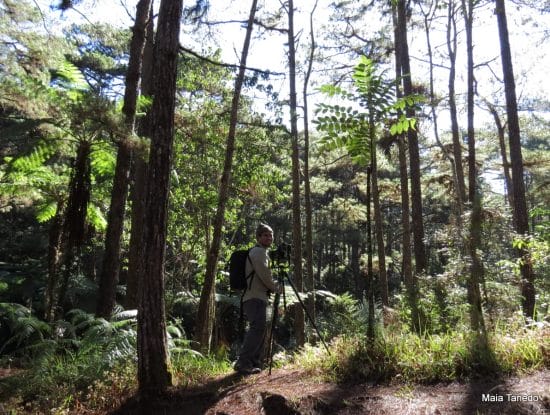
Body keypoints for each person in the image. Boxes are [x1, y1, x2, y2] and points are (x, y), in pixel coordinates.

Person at [234, 223, 280, 375]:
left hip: (255, 296)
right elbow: (265, 274)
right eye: (265, 235)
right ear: (258, 237)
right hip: (254, 297)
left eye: (271, 235)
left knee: (259, 328)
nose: (269, 238)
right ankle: (243, 362)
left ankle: (252, 362)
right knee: (257, 328)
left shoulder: (260, 252)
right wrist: (275, 287)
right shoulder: (258, 252)